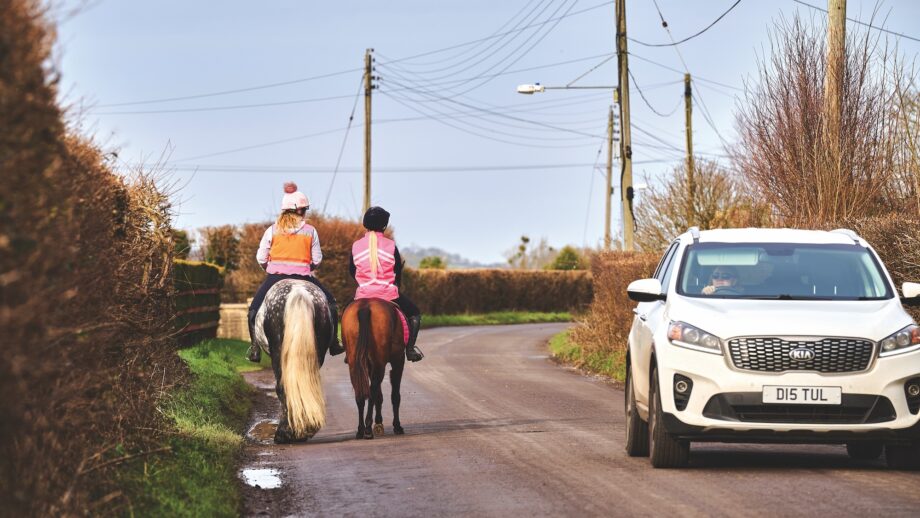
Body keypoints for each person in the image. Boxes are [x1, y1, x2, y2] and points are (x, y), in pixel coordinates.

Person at [246, 182, 344, 362]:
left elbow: (261, 257)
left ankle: (254, 348)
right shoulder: (310, 231)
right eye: (304, 209)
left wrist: (271, 269)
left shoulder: (272, 230)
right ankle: (334, 343)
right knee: (331, 304)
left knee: (254, 308)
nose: (305, 213)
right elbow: (317, 259)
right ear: (298, 211)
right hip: (304, 277)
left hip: (275, 278)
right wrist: (306, 268)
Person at [349, 206, 424, 362]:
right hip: (388, 293)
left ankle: (347, 346)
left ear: (365, 223)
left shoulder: (356, 246)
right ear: (384, 225)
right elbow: (396, 270)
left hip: (363, 292)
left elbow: (352, 270)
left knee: (346, 314)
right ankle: (410, 350)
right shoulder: (390, 245)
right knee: (415, 313)